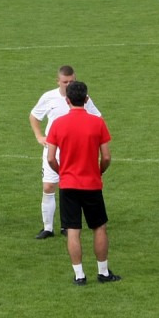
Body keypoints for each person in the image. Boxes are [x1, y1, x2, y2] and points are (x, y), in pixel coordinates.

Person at [46, 81, 120, 286]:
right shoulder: (97, 122)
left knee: (72, 230)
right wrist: (99, 171)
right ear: (86, 99)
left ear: (67, 100)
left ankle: (79, 275)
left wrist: (62, 173)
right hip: (92, 184)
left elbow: (50, 158)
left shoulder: (58, 124)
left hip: (68, 184)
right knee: (99, 227)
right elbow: (106, 157)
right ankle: (103, 272)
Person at [29, 65, 101, 239]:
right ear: (58, 81)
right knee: (48, 186)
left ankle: (67, 226)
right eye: (65, 82)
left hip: (75, 152)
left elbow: (97, 118)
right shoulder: (49, 97)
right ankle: (47, 228)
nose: (69, 85)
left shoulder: (82, 99)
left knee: (70, 189)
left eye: (72, 81)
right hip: (54, 149)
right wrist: (39, 136)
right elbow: (34, 116)